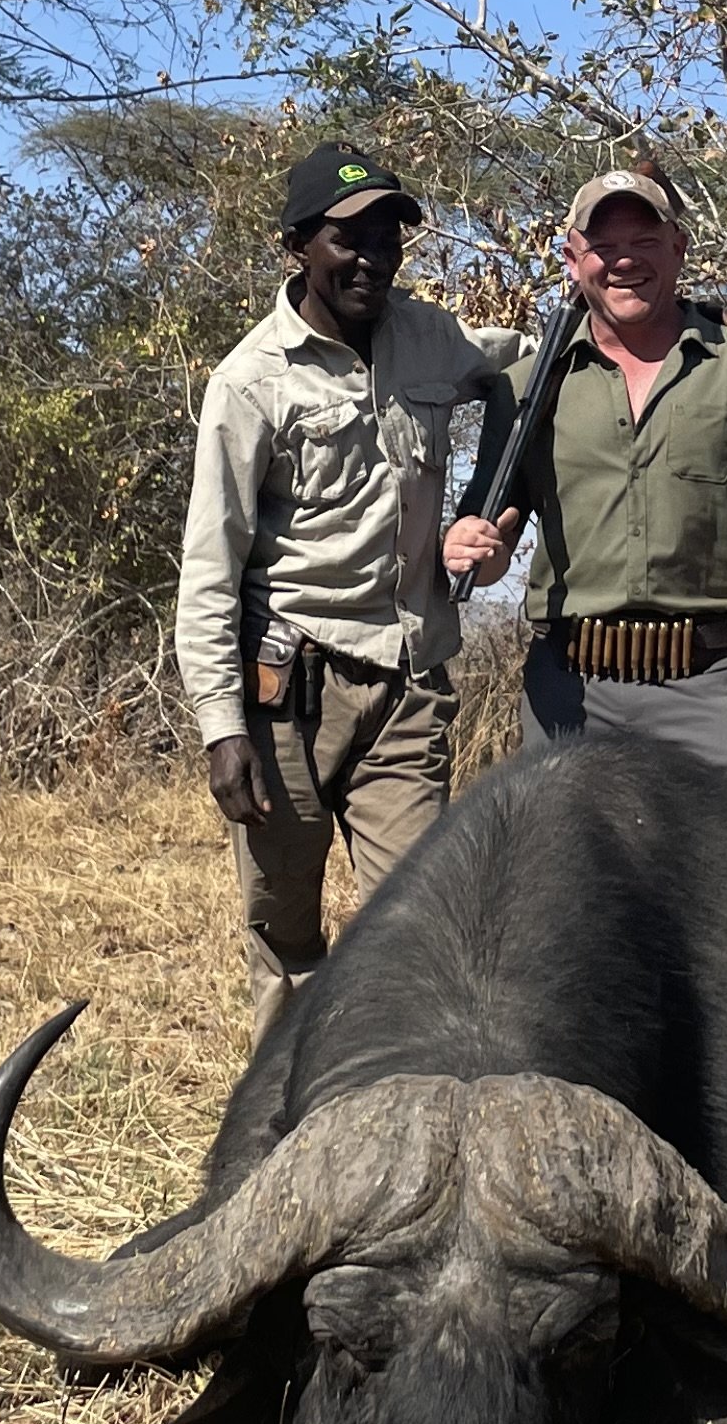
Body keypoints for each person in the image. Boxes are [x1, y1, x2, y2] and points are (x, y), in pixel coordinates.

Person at [176, 139, 522, 1034]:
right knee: (285, 936)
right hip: (289, 689)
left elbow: (517, 374)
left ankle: (391, 1104)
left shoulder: (429, 336)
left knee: (415, 924)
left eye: (389, 237)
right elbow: (212, 567)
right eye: (348, 239)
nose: (372, 257)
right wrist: (223, 729)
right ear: (298, 246)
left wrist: (491, 509)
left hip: (407, 683)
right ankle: (287, 1131)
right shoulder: (249, 382)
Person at [442, 163, 727, 789]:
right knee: (567, 886)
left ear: (678, 248)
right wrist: (466, 548)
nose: (624, 262)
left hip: (708, 686)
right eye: (604, 247)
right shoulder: (523, 389)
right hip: (566, 692)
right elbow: (492, 545)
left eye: (645, 243)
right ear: (573, 259)